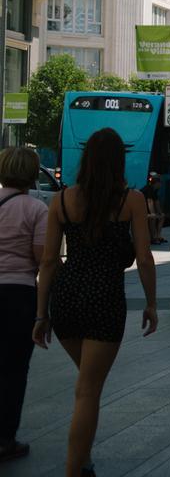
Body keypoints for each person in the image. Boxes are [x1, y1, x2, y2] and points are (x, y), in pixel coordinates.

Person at [34, 128, 158, 475]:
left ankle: (83, 458)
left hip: (67, 297)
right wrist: (151, 303)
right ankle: (75, 468)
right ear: (119, 161)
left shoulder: (61, 200)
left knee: (86, 381)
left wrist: (41, 314)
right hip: (105, 297)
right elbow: (146, 259)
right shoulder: (130, 200)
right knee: (88, 389)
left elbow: (48, 261)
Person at [0, 147, 47, 463]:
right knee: (14, 370)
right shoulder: (36, 208)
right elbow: (41, 257)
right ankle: (5, 439)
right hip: (19, 294)